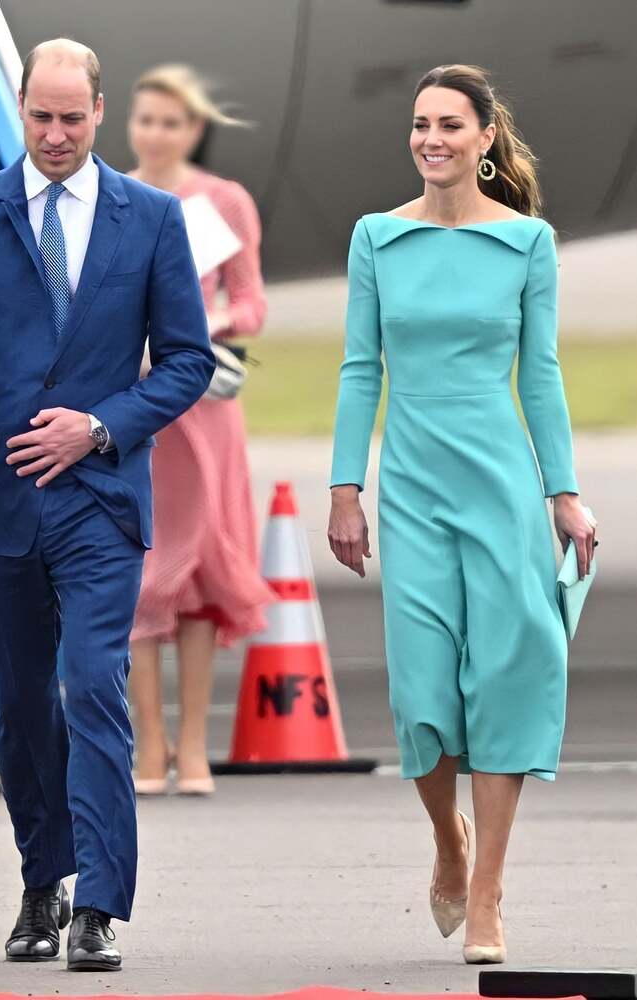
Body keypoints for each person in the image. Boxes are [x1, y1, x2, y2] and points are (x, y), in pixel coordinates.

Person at [0, 39, 214, 972]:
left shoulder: (151, 218)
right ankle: (44, 883)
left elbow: (189, 360)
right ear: (21, 106)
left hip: (98, 499)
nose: (53, 133)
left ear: (98, 111)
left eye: (71, 118)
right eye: (39, 116)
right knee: (18, 708)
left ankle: (99, 907)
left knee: (92, 685)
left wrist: (100, 425)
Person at [328, 64, 596, 965]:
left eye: (449, 124)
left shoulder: (527, 243)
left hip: (502, 489)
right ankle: (447, 840)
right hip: (411, 490)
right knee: (421, 696)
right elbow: (360, 368)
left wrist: (561, 492)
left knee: (510, 678)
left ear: (485, 139)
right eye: (418, 124)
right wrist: (343, 490)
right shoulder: (376, 237)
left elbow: (541, 374)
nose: (430, 138)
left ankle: (486, 896)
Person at [125, 65, 275, 797]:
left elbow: (250, 302)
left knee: (202, 575)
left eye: (170, 122)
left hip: (204, 405)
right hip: (134, 405)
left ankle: (192, 747)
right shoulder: (110, 192)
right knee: (140, 571)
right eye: (145, 118)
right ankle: (147, 745)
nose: (155, 133)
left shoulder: (223, 202)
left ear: (194, 130)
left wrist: (201, 327)